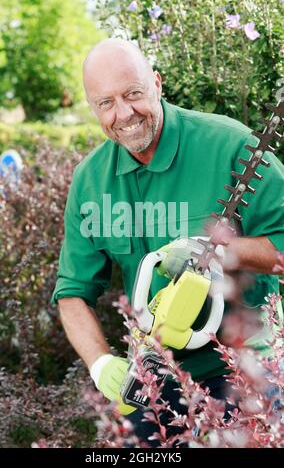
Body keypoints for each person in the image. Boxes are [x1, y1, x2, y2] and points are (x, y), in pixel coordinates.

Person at [51, 38, 284, 445]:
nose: (123, 114)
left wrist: (218, 252)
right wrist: (102, 364)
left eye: (133, 94)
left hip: (244, 368)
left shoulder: (231, 145)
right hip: (156, 378)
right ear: (92, 108)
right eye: (105, 103)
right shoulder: (89, 182)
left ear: (157, 84)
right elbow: (72, 295)